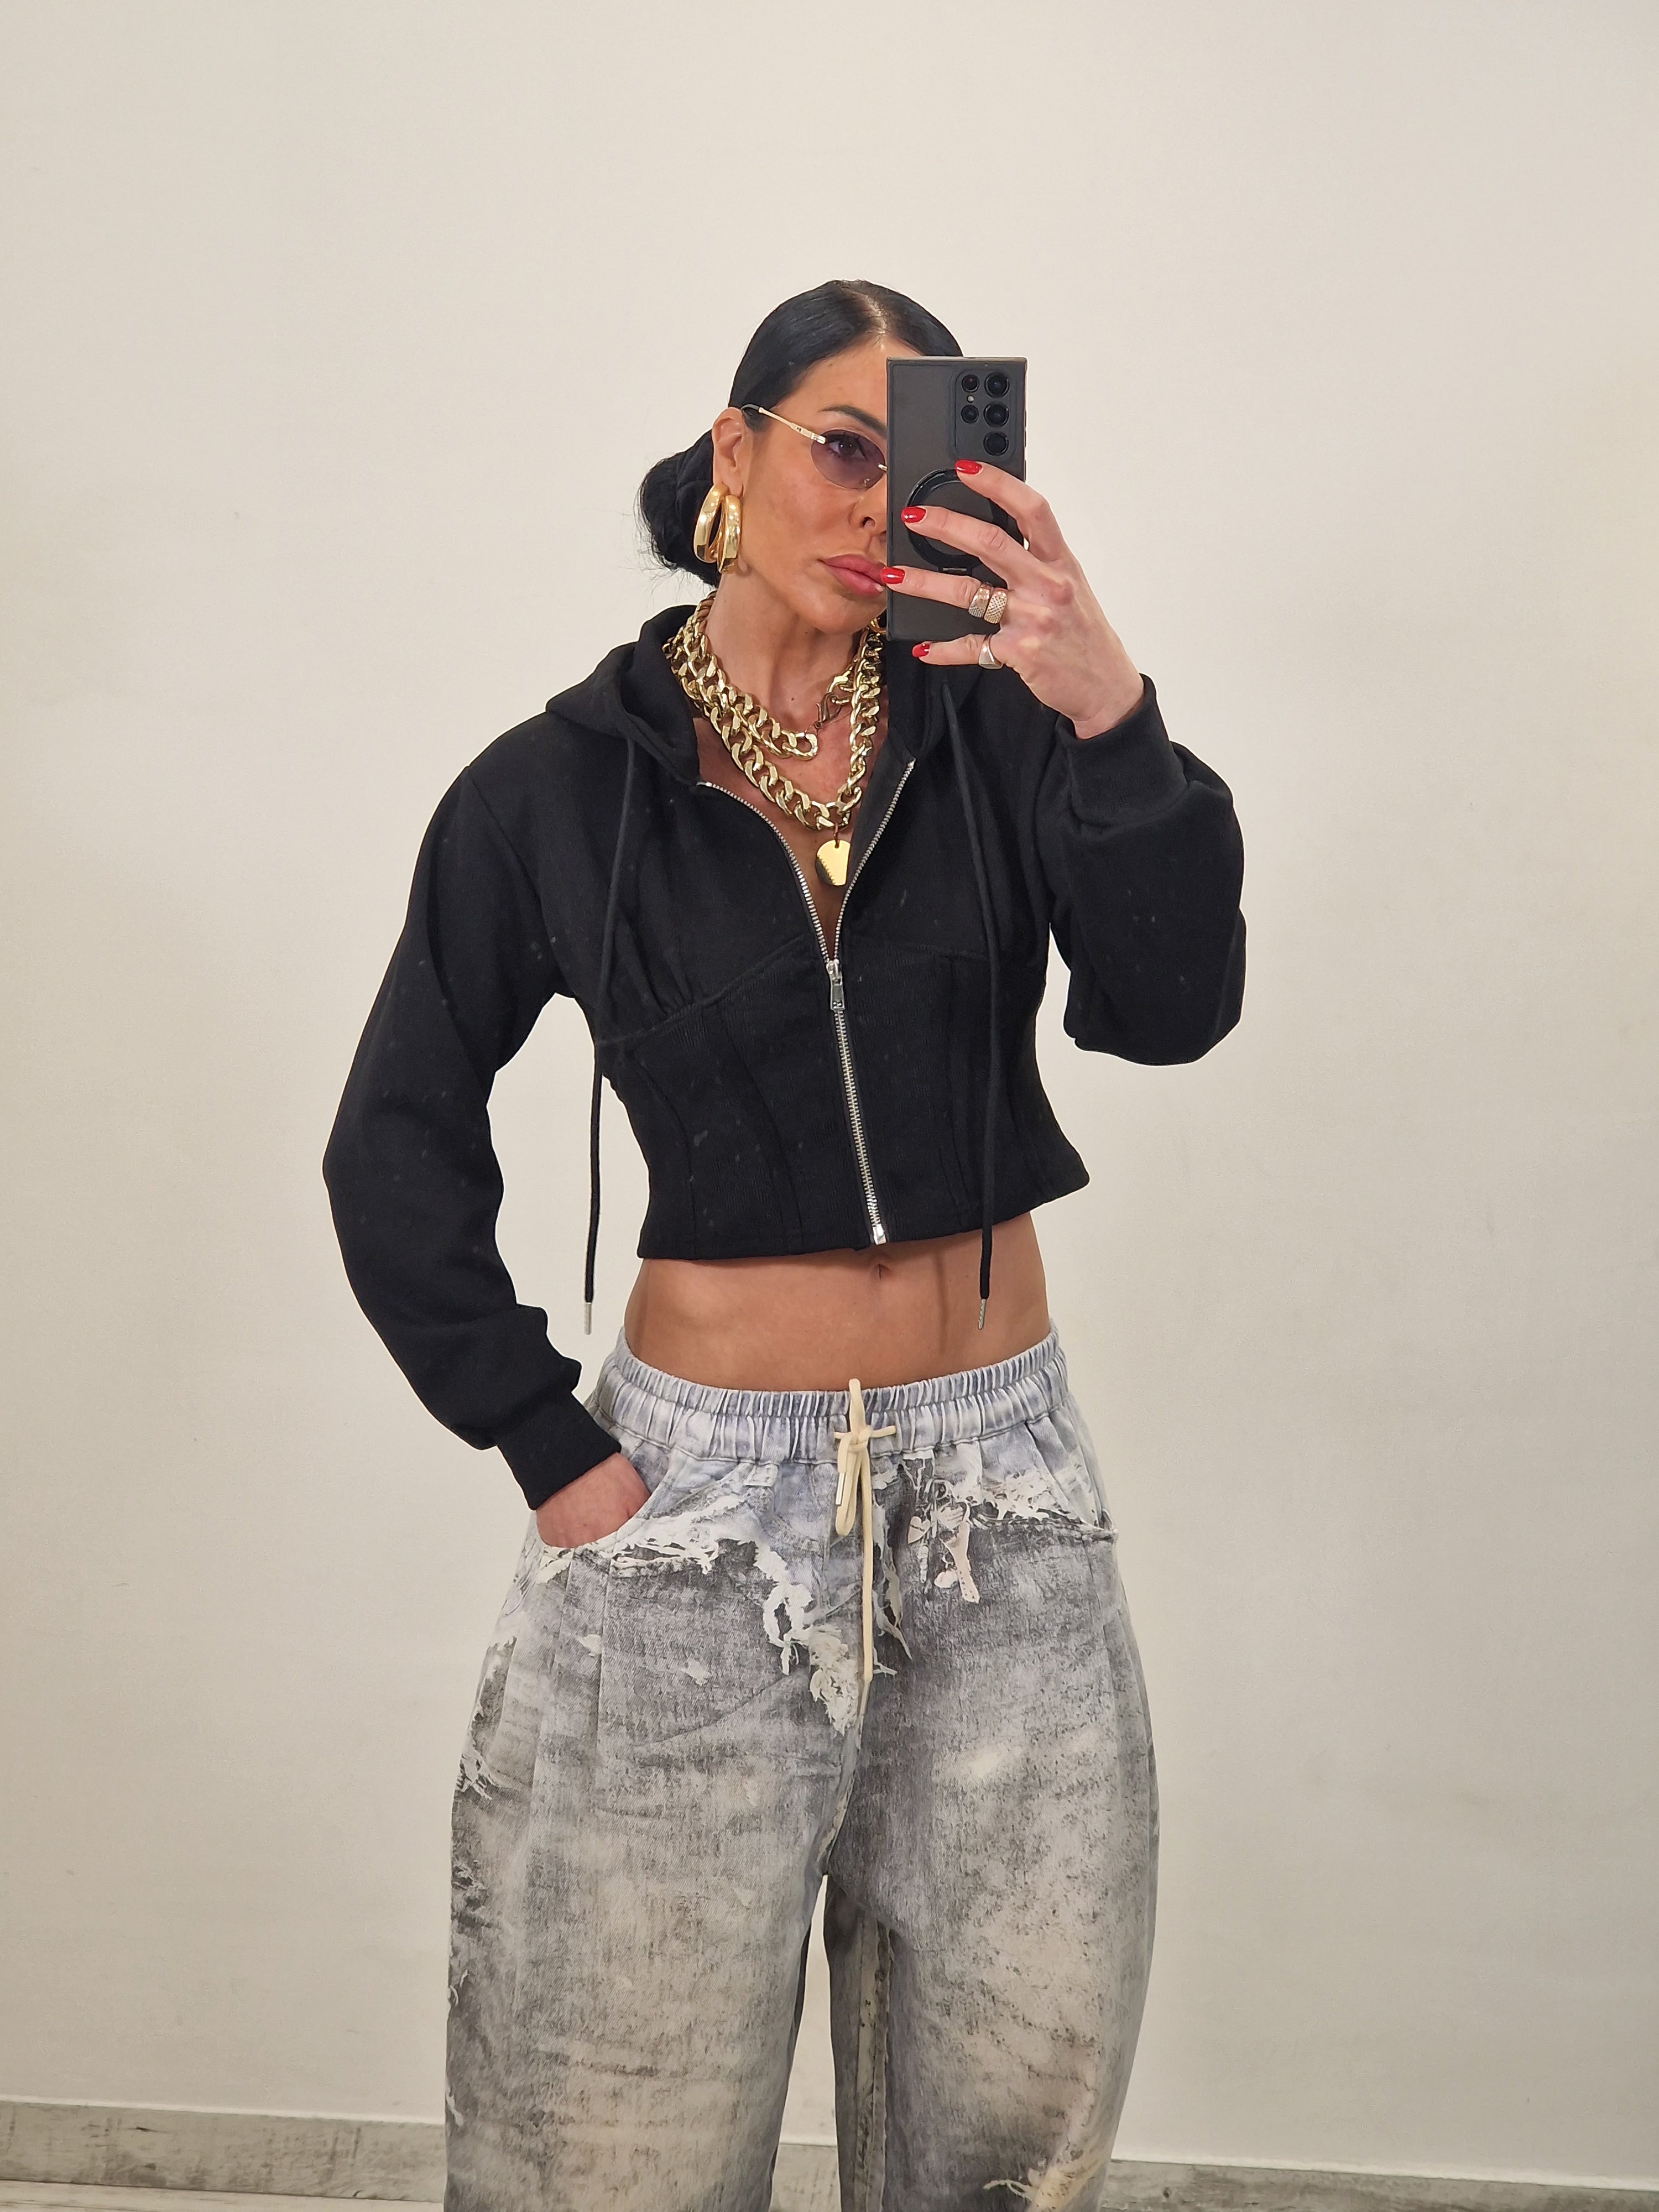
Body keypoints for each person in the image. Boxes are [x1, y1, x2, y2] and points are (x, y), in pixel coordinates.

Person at [322, 278, 1245, 2212]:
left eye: (927, 465)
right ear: (733, 454)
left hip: (1005, 1509)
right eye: (841, 447)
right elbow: (391, 1138)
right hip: (691, 1525)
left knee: (1009, 2155)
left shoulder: (1000, 730)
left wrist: (1110, 712)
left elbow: (1171, 1013)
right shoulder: (556, 788)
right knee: (615, 2154)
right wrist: (548, 1444)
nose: (878, 502)